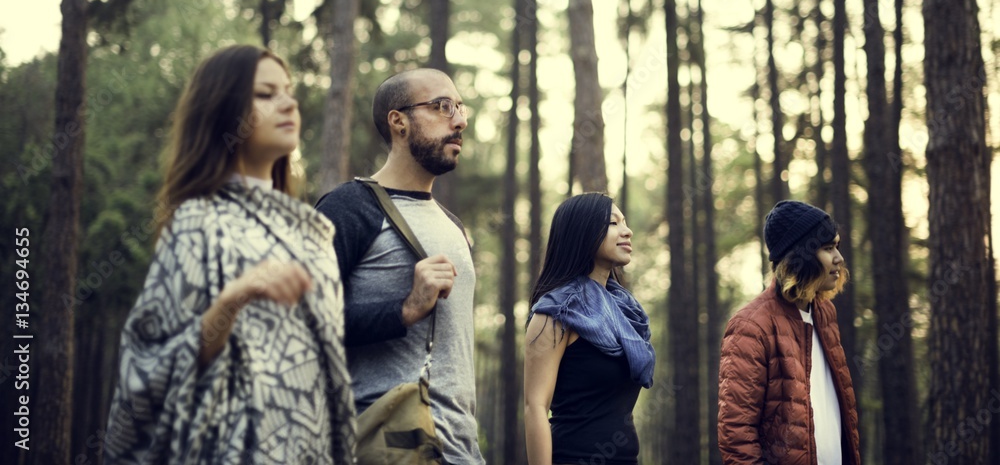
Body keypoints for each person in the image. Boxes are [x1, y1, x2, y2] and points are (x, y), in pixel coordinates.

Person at [104, 45, 355, 464]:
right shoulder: (196, 221)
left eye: (289, 91)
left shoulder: (315, 233)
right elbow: (146, 368)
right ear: (223, 109)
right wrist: (233, 298)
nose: (289, 102)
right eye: (265, 93)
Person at [314, 68, 485, 465]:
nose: (459, 121)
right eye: (442, 107)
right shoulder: (348, 208)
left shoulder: (452, 225)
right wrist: (404, 309)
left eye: (460, 108)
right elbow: (300, 321)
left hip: (461, 450)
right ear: (398, 121)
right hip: (386, 446)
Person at [718, 200, 861, 465]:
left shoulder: (826, 313)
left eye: (837, 246)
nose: (839, 258)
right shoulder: (750, 326)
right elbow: (736, 436)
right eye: (828, 248)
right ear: (800, 256)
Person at [524, 193, 656, 465]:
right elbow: (535, 407)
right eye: (614, 223)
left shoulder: (624, 311)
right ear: (582, 231)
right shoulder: (556, 312)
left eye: (626, 222)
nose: (627, 231)